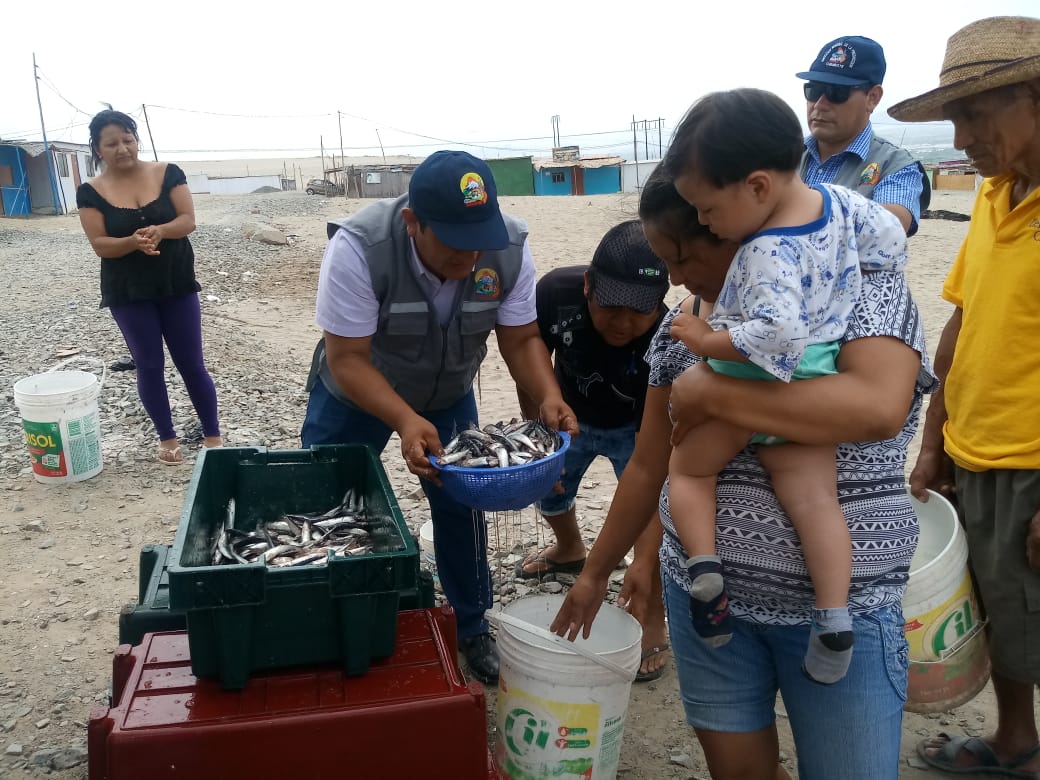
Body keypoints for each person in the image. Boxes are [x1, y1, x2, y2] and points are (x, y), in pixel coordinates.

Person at [551, 161, 935, 778]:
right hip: (711, 613)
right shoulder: (687, 322)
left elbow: (878, 410)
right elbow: (648, 465)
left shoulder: (855, 288)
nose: (674, 278)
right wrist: (596, 574)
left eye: (682, 256)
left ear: (732, 226)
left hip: (842, 609)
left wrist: (712, 395)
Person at [301, 150, 577, 685]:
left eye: (479, 237)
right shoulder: (358, 248)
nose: (471, 255)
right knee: (325, 502)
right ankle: (323, 619)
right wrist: (404, 419)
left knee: (461, 506)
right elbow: (348, 359)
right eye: (454, 241)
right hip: (353, 394)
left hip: (447, 392)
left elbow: (519, 339)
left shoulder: (510, 248)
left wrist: (547, 393)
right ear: (413, 223)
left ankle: (471, 624)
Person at [661, 89, 908, 684]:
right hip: (818, 376)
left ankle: (704, 570)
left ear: (757, 187)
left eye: (707, 209)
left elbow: (772, 333)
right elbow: (892, 246)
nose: (703, 222)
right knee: (818, 503)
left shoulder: (768, 249)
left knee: (690, 472)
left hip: (749, 376)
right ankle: (833, 613)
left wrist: (702, 339)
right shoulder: (845, 204)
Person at [890, 15, 1040, 778]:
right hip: (977, 447)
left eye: (977, 111)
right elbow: (962, 318)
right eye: (955, 116)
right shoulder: (994, 194)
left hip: (1035, 461)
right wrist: (934, 437)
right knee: (1001, 607)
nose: (963, 134)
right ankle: (1017, 741)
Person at [514, 219, 672, 681]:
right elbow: (530, 356)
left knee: (649, 509)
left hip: (636, 425)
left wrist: (642, 560)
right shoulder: (555, 292)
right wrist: (537, 432)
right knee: (550, 489)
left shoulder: (670, 330)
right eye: (611, 307)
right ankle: (569, 548)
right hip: (568, 416)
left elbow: (652, 455)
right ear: (588, 286)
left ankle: (651, 606)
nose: (623, 322)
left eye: (639, 311)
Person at [76, 110, 221, 464]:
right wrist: (132, 241)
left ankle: (213, 435)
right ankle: (166, 438)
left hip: (176, 282)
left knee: (192, 363)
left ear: (136, 140)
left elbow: (187, 220)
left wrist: (161, 231)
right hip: (128, 291)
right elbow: (100, 244)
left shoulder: (167, 173)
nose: (122, 149)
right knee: (149, 364)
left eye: (128, 140)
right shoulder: (90, 192)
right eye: (112, 143)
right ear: (97, 149)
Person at [797, 35, 929, 235]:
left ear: (872, 98)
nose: (820, 104)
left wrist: (791, 202)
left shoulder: (896, 165)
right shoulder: (781, 156)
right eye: (813, 90)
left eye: (836, 92)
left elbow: (890, 227)